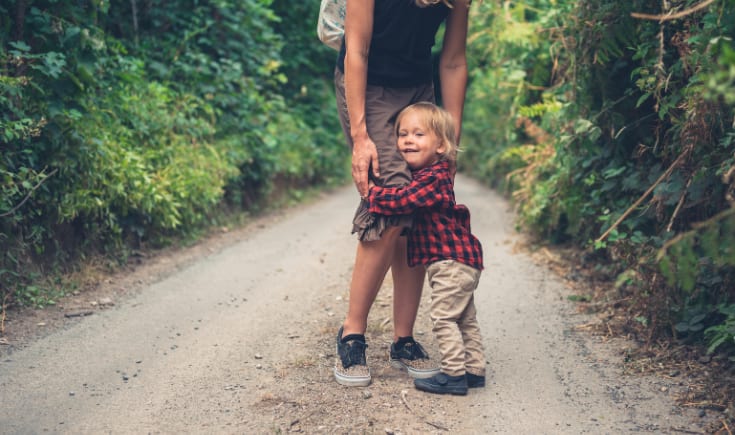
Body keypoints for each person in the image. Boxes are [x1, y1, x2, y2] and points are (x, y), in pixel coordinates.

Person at [333, 0, 471, 387]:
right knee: (393, 200)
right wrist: (361, 137)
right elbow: (356, 49)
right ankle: (351, 334)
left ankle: (403, 340)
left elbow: (454, 60)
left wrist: (450, 144)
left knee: (422, 204)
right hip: (367, 85)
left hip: (418, 90)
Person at [367, 102, 485, 395]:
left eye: (418, 135)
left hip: (450, 262)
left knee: (444, 318)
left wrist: (373, 194)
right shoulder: (431, 175)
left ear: (442, 145)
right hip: (461, 261)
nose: (408, 140)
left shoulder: (433, 178)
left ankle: (454, 375)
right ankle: (474, 370)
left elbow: (404, 200)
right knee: (465, 318)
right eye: (403, 134)